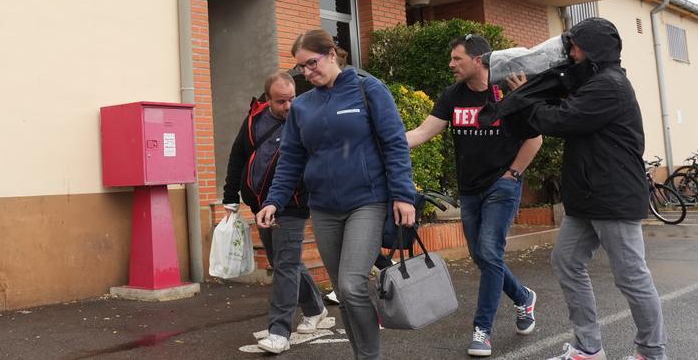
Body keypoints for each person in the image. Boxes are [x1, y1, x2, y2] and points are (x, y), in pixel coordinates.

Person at [499, 18, 666, 360]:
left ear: (592, 49)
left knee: (631, 277)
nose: (570, 53)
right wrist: (524, 97)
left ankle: (651, 352)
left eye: (575, 46)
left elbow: (561, 119)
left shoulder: (610, 86)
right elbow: (548, 113)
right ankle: (588, 349)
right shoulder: (591, 81)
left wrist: (524, 96)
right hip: (587, 198)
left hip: (613, 197)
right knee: (566, 262)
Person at [256, 29, 416, 360]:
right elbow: (291, 160)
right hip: (325, 208)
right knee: (344, 291)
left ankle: (371, 357)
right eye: (301, 67)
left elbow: (395, 143)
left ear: (331, 54)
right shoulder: (302, 106)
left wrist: (402, 194)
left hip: (367, 202)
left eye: (312, 63)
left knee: (352, 285)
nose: (307, 72)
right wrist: (274, 200)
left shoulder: (367, 89)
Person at [404, 34, 542, 357]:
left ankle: (483, 331)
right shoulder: (453, 96)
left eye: (457, 59)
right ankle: (523, 298)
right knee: (482, 256)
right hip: (470, 189)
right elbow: (424, 132)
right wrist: (388, 142)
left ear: (478, 60)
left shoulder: (507, 91)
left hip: (502, 184)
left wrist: (513, 174)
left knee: (491, 252)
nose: (451, 65)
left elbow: (534, 139)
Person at [222, 71, 330, 353]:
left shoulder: (305, 119)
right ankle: (316, 308)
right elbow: (237, 158)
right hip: (260, 206)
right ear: (267, 99)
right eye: (281, 102)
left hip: (293, 204)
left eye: (292, 99)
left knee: (284, 266)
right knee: (284, 261)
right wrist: (229, 195)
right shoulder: (253, 123)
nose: (288, 107)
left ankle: (279, 331)